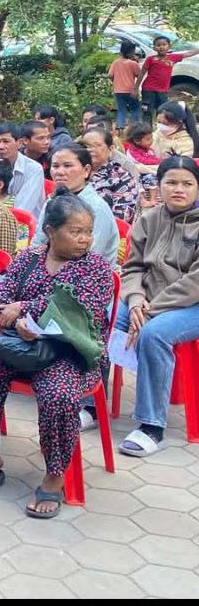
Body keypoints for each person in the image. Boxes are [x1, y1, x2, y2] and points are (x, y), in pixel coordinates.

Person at [0, 192, 114, 518]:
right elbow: (1, 298)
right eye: (75, 231)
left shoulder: (95, 267)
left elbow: (82, 308)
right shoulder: (27, 259)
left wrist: (26, 310)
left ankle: (55, 476)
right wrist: (18, 321)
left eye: (88, 231)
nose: (84, 239)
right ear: (51, 231)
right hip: (19, 345)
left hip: (68, 352)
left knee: (58, 395)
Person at [113, 156, 199, 457]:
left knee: (154, 334)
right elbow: (132, 267)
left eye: (187, 183)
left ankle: (151, 426)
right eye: (171, 182)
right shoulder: (149, 220)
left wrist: (149, 310)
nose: (179, 189)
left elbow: (194, 283)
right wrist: (136, 300)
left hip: (191, 305)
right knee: (106, 319)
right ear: (159, 186)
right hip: (146, 298)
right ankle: (89, 405)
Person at [32, 144, 119, 266]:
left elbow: (90, 257)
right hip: (49, 267)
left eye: (68, 166)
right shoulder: (53, 201)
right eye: (55, 166)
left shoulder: (96, 207)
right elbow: (38, 242)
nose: (59, 172)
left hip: (87, 271)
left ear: (86, 170)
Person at [80, 126, 139, 224]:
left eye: (97, 145)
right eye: (86, 146)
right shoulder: (74, 172)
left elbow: (123, 216)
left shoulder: (122, 177)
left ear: (110, 149)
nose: (90, 150)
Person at [0, 122, 47, 217]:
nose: (0, 147)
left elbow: (23, 208)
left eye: (6, 141)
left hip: (26, 222)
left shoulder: (34, 169)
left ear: (20, 143)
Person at [139, 35, 199, 122]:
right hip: (148, 90)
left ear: (169, 46)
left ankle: (160, 129)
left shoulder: (173, 57)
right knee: (147, 111)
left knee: (163, 112)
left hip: (163, 91)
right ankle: (146, 129)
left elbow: (188, 54)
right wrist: (135, 88)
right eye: (158, 45)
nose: (161, 47)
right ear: (154, 48)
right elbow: (142, 73)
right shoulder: (150, 59)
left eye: (164, 44)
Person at [109, 41, 143, 130]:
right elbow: (139, 75)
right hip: (131, 90)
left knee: (121, 110)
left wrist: (115, 82)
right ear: (131, 52)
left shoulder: (115, 62)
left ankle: (120, 127)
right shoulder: (133, 63)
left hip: (118, 91)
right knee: (135, 109)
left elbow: (110, 75)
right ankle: (135, 127)